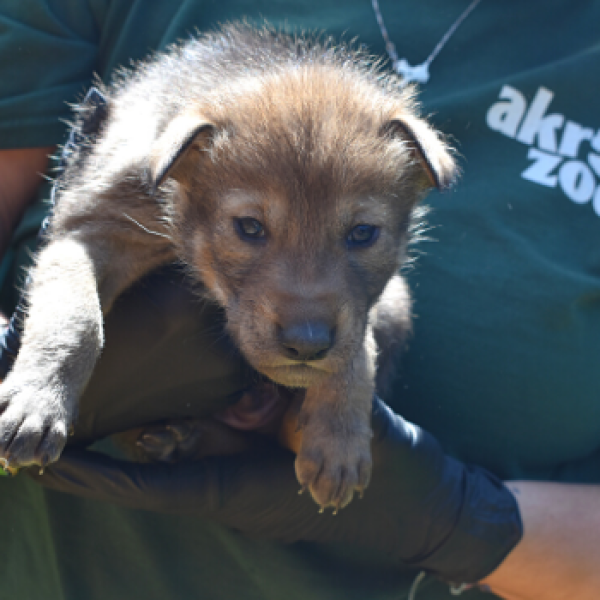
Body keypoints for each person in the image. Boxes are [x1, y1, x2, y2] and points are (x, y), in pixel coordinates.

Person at [1, 1, 599, 599]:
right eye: (252, 229)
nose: (309, 327)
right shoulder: (165, 148)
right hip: (52, 572)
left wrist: (455, 518)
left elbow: (363, 311)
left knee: (387, 311)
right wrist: (49, 360)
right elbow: (85, 244)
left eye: (361, 234)